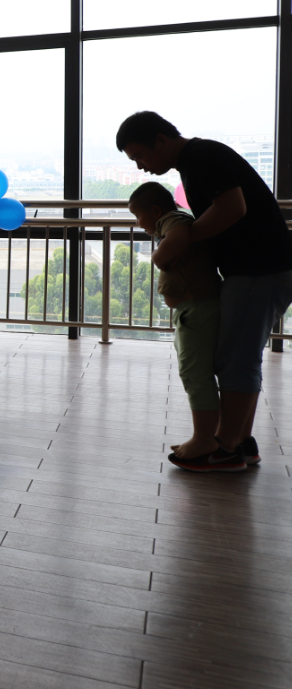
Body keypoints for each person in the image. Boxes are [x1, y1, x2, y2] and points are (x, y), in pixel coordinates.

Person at [117, 111, 292, 470]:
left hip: (259, 269)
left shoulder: (202, 158)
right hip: (258, 269)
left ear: (161, 140)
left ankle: (224, 448)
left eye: (140, 156)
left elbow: (233, 207)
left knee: (236, 359)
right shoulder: (197, 159)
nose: (140, 166)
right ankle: (240, 440)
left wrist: (182, 240)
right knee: (239, 357)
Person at [128, 181, 224, 467]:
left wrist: (159, 257)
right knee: (195, 373)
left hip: (197, 310)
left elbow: (179, 236)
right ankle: (209, 435)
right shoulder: (172, 220)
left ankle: (204, 439)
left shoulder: (174, 219)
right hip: (191, 310)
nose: (138, 223)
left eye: (138, 216)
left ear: (156, 211)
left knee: (196, 375)